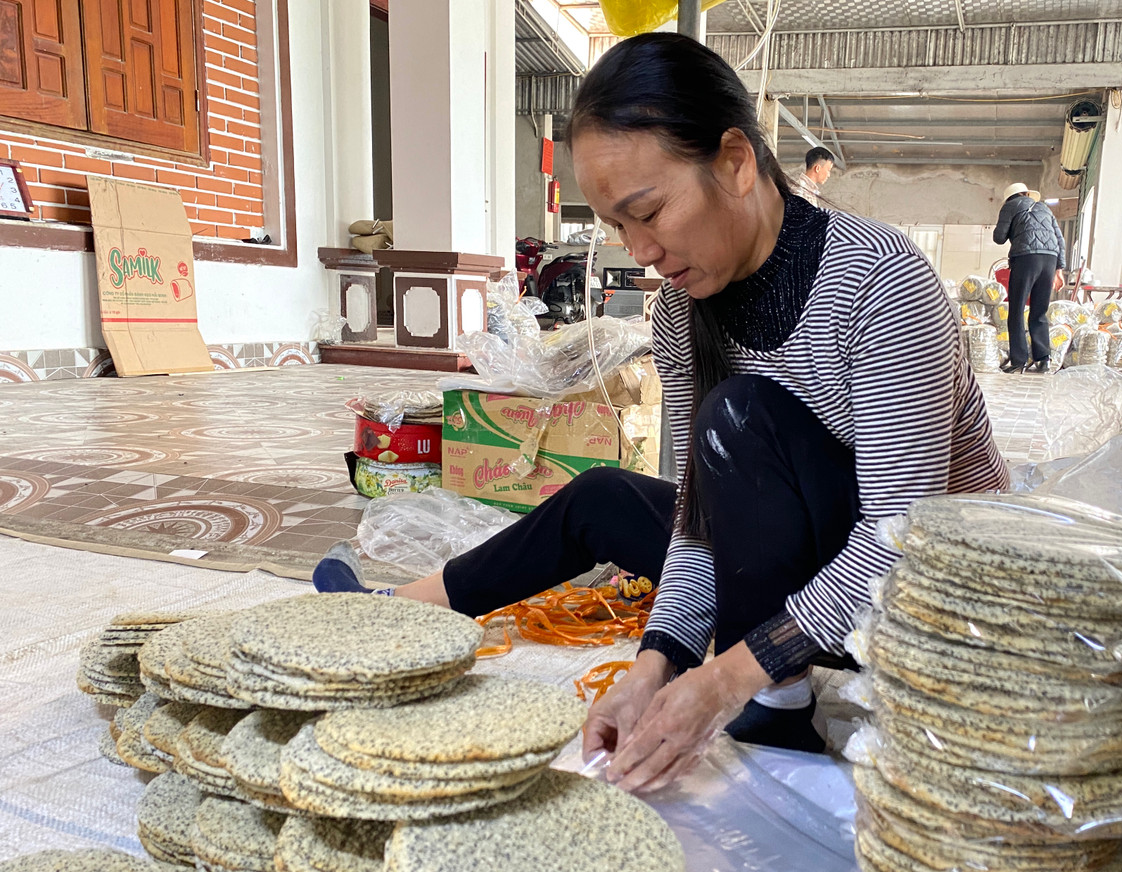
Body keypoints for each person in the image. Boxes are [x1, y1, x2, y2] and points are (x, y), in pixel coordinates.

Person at [313, 34, 1008, 793]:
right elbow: (699, 519)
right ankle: (400, 611)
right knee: (605, 496)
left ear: (735, 161)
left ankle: (775, 702)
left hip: (924, 596)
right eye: (618, 226)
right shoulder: (681, 309)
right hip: (789, 565)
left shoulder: (879, 281)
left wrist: (726, 678)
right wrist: (657, 662)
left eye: (648, 212)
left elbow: (899, 539)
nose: (640, 250)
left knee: (737, 418)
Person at [993, 181, 1066, 373]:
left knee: (1016, 310)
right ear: (1027, 194)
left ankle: (1019, 361)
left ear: (1008, 198)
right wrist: (1059, 269)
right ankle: (1043, 359)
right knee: (1039, 311)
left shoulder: (1010, 206)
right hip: (1050, 259)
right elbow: (1060, 240)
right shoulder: (1044, 208)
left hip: (1026, 258)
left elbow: (999, 237)